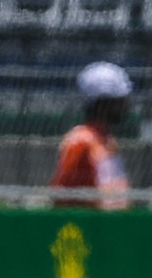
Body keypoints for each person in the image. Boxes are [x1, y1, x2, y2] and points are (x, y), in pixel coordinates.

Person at [51, 61, 131, 210]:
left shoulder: (107, 141)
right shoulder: (81, 142)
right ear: (103, 103)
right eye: (120, 101)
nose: (126, 106)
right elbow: (63, 197)